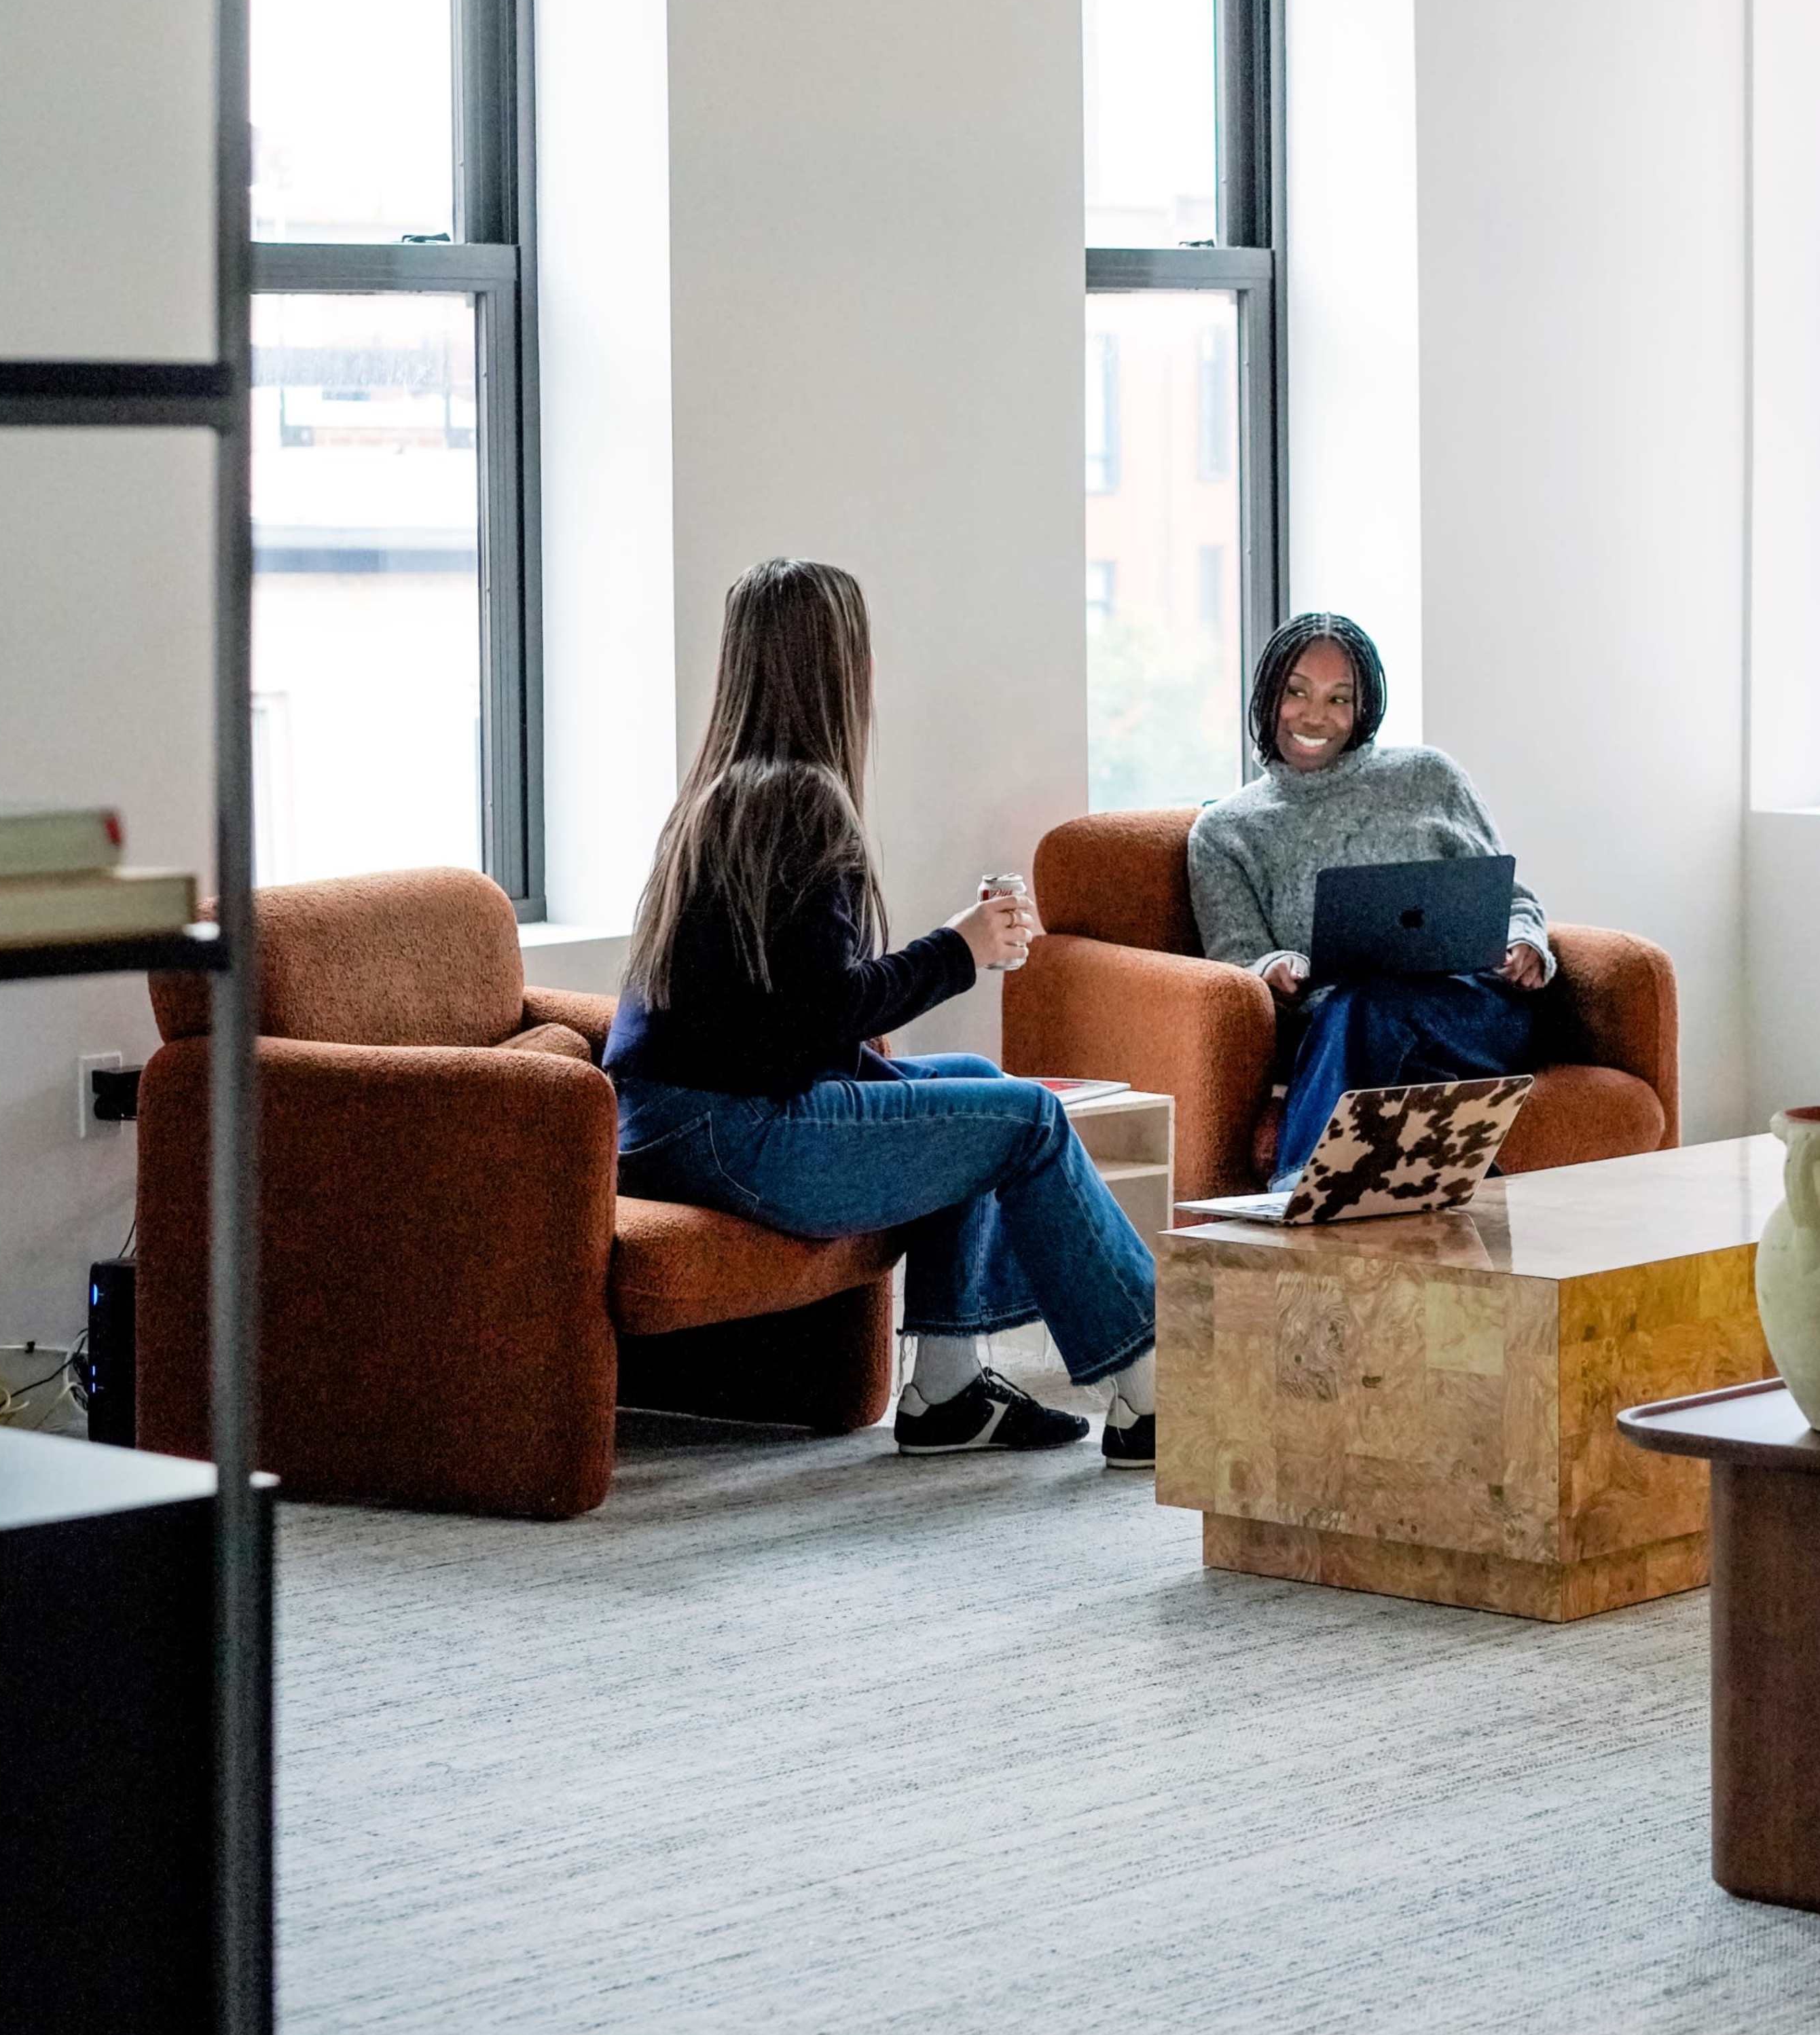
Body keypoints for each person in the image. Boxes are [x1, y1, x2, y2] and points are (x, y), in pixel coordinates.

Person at [606, 557, 1159, 1465]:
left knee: (976, 1087)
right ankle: (1153, 1386)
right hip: (737, 1133)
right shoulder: (802, 802)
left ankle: (947, 1393)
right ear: (839, 664)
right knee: (1030, 1117)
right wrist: (964, 946)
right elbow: (825, 1016)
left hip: (664, 1130)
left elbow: (772, 1019)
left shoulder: (717, 795)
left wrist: (917, 1036)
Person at [1186, 608, 1552, 1177]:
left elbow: (1513, 901)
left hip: (1472, 1013)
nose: (1315, 715)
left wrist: (1526, 944)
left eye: (1339, 698)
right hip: (1342, 1025)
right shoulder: (1227, 831)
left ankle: (1294, 1188)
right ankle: (1455, 1184)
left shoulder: (1430, 776)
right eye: (1297, 692)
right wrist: (1272, 966)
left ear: (1364, 708)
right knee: (1364, 1011)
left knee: (1367, 1010)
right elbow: (1236, 958)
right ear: (1267, 696)